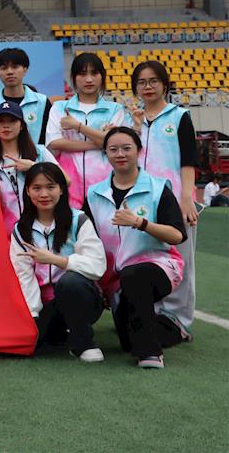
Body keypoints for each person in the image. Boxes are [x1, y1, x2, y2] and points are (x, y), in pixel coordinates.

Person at [84, 127, 188, 369]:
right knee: (127, 340)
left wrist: (141, 223)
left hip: (160, 267)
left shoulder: (158, 188)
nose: (120, 154)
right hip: (117, 278)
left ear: (139, 151)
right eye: (113, 149)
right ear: (106, 153)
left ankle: (150, 354)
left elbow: (176, 235)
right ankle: (172, 328)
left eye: (127, 148)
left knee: (135, 275)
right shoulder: (94, 193)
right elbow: (87, 237)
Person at [127, 59, 198, 344]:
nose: (148, 87)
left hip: (175, 200)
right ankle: (150, 314)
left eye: (153, 81)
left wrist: (187, 197)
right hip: (143, 199)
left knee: (181, 259)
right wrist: (135, 127)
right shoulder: (132, 120)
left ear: (164, 84)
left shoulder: (179, 116)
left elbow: (189, 160)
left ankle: (179, 320)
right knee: (146, 256)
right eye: (142, 82)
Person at [10, 162, 106, 362]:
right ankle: (61, 333)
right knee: (26, 346)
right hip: (48, 306)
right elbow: (24, 276)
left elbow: (97, 265)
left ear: (61, 189)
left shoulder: (79, 220)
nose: (44, 194)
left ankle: (84, 344)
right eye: (37, 188)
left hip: (83, 298)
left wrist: (57, 260)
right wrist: (33, 317)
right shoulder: (21, 230)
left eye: (50, 187)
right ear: (27, 191)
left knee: (69, 282)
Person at [46, 53, 126, 210]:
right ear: (74, 78)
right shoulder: (60, 108)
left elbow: (118, 144)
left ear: (102, 76)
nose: (89, 79)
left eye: (94, 73)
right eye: (82, 74)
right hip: (69, 184)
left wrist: (78, 127)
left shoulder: (115, 110)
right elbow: (55, 143)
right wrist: (101, 142)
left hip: (104, 185)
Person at [0, 101, 59, 238]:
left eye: (12, 120)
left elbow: (65, 180)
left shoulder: (39, 152)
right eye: (0, 121)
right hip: (5, 235)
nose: (6, 126)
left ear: (22, 125)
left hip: (42, 231)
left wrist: (34, 167)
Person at [0, 47, 52, 158]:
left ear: (25, 69)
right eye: (4, 68)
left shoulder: (42, 102)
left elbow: (47, 140)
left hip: (35, 165)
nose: (10, 72)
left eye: (15, 67)